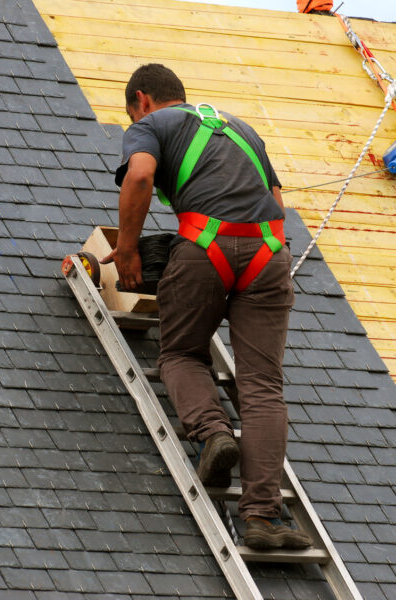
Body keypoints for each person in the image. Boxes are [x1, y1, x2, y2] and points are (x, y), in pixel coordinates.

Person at [103, 63, 311, 550]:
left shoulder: (150, 126)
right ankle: (263, 515)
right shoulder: (242, 128)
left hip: (206, 246)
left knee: (179, 353)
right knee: (262, 386)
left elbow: (139, 176)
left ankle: (212, 430)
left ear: (142, 100)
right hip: (269, 254)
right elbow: (275, 200)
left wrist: (129, 248)